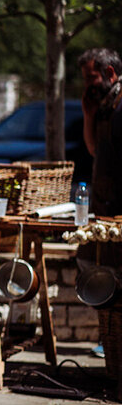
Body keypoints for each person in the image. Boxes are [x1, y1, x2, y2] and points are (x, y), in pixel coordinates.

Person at [78, 48, 122, 359]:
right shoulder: (103, 107)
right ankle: (109, 338)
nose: (89, 85)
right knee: (100, 266)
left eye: (92, 77)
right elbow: (93, 150)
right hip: (104, 205)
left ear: (109, 73)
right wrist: (88, 115)